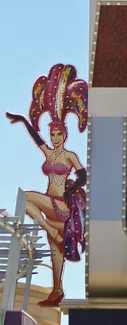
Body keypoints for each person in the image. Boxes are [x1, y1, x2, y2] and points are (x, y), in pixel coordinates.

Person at [5, 64, 88, 307]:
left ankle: (49, 230)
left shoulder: (69, 156)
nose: (54, 139)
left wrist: (71, 189)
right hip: (53, 213)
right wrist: (21, 119)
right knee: (55, 253)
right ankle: (57, 290)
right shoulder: (49, 155)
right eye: (52, 135)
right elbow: (35, 136)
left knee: (26, 197)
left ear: (64, 135)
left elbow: (83, 175)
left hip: (60, 205)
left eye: (58, 135)